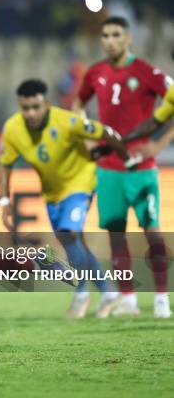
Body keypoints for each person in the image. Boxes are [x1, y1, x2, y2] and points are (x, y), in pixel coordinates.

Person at [0, 79, 128, 318]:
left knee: (68, 235)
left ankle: (81, 293)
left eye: (36, 107)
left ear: (46, 104)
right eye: (25, 108)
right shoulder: (13, 129)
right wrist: (5, 201)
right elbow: (5, 164)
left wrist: (126, 160)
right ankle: (108, 292)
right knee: (72, 242)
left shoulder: (67, 121)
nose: (31, 113)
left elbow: (106, 133)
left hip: (81, 183)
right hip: (52, 193)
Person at [72, 16, 172, 318]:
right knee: (116, 235)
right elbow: (77, 107)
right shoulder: (95, 72)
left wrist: (157, 145)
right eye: (105, 35)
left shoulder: (145, 71)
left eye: (116, 34)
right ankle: (127, 298)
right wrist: (89, 141)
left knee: (153, 233)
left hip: (142, 167)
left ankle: (161, 298)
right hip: (109, 167)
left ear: (128, 39)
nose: (110, 40)